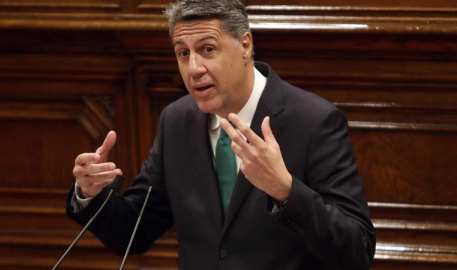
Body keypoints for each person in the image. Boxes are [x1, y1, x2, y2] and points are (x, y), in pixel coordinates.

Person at [67, 0, 376, 269]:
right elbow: (135, 231)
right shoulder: (176, 120)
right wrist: (90, 194)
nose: (194, 68)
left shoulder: (314, 121)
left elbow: (356, 250)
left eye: (208, 49)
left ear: (245, 45)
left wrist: (285, 191)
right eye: (183, 53)